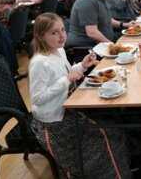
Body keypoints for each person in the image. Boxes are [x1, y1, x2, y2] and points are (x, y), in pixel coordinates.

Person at [29, 13, 131, 178]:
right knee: (105, 140)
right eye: (54, 33)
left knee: (113, 131)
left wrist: (82, 66)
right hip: (53, 123)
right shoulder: (39, 62)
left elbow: (67, 74)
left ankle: (118, 170)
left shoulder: (59, 51)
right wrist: (66, 80)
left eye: (63, 30)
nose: (62, 35)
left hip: (68, 110)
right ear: (41, 36)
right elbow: (37, 98)